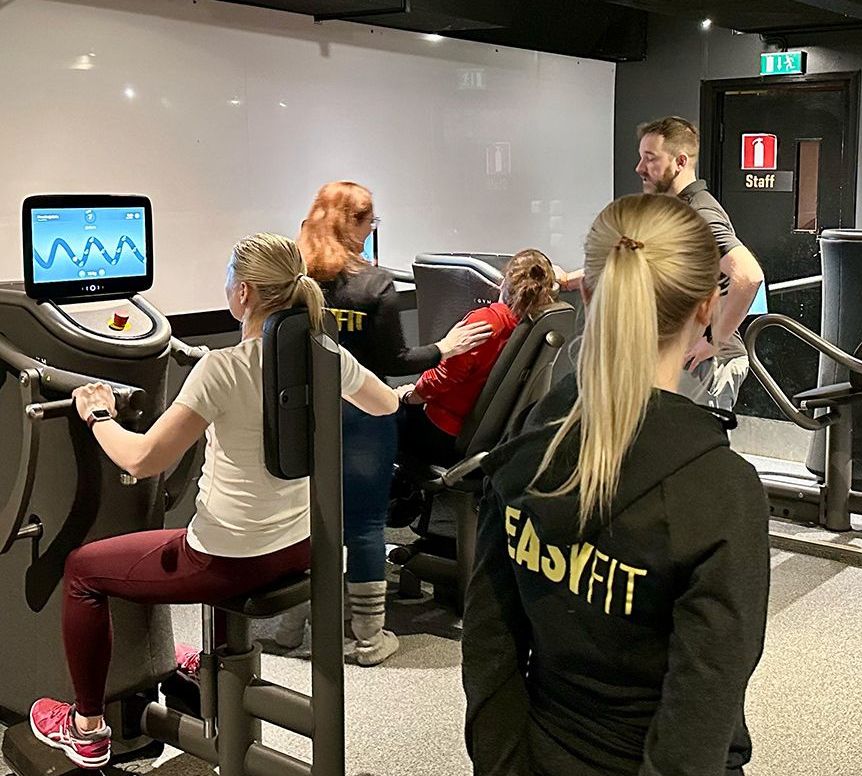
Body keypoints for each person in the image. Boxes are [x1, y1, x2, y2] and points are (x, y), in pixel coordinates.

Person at [28, 233, 406, 769]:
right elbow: (386, 402)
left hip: (227, 562)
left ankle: (86, 727)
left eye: (230, 276)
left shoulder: (222, 369)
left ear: (244, 291)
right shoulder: (325, 354)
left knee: (84, 571)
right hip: (301, 547)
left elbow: (141, 460)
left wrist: (97, 414)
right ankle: (200, 664)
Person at [462, 194, 770, 776]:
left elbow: (487, 643)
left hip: (534, 755)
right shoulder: (722, 491)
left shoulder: (530, 440)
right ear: (707, 306)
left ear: (585, 294)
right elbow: (703, 708)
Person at [280, 181, 491, 664]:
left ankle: (292, 629)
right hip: (364, 416)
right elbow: (394, 360)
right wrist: (445, 348)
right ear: (354, 223)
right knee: (366, 524)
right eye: (369, 222)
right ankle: (369, 639)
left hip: (306, 415)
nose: (370, 230)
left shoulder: (296, 280)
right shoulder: (374, 285)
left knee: (310, 521)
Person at [559, 116, 764, 412]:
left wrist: (714, 340)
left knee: (696, 437)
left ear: (680, 162)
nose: (639, 168)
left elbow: (748, 275)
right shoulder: (672, 212)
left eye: (650, 158)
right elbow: (627, 258)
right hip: (684, 349)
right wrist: (568, 279)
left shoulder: (700, 214)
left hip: (706, 358)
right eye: (641, 157)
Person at [389, 248, 559, 559]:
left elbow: (442, 377)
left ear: (504, 283)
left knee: (378, 416)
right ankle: (433, 529)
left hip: (443, 433)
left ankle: (387, 514)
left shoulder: (486, 322)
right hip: (485, 436)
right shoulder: (533, 326)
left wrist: (409, 396)